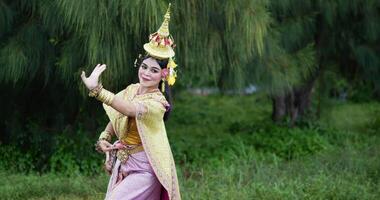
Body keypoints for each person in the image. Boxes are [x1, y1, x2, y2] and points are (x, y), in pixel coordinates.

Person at [80, 4, 181, 200]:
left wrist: (97, 90)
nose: (146, 73)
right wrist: (104, 138)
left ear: (164, 75)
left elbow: (127, 109)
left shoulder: (158, 103)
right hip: (123, 162)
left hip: (145, 169)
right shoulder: (132, 89)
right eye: (144, 67)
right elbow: (117, 115)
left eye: (154, 70)